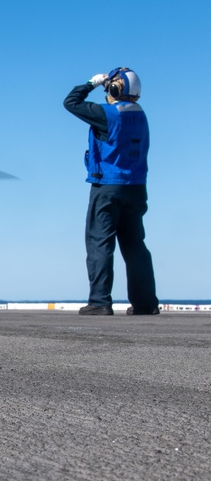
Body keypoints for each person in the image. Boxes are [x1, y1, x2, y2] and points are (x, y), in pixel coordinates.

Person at [64, 67, 158, 316]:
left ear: (116, 89)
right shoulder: (142, 115)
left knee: (100, 243)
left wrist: (92, 82)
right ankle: (146, 304)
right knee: (135, 246)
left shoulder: (106, 114)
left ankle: (99, 301)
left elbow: (71, 103)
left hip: (107, 186)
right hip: (137, 188)